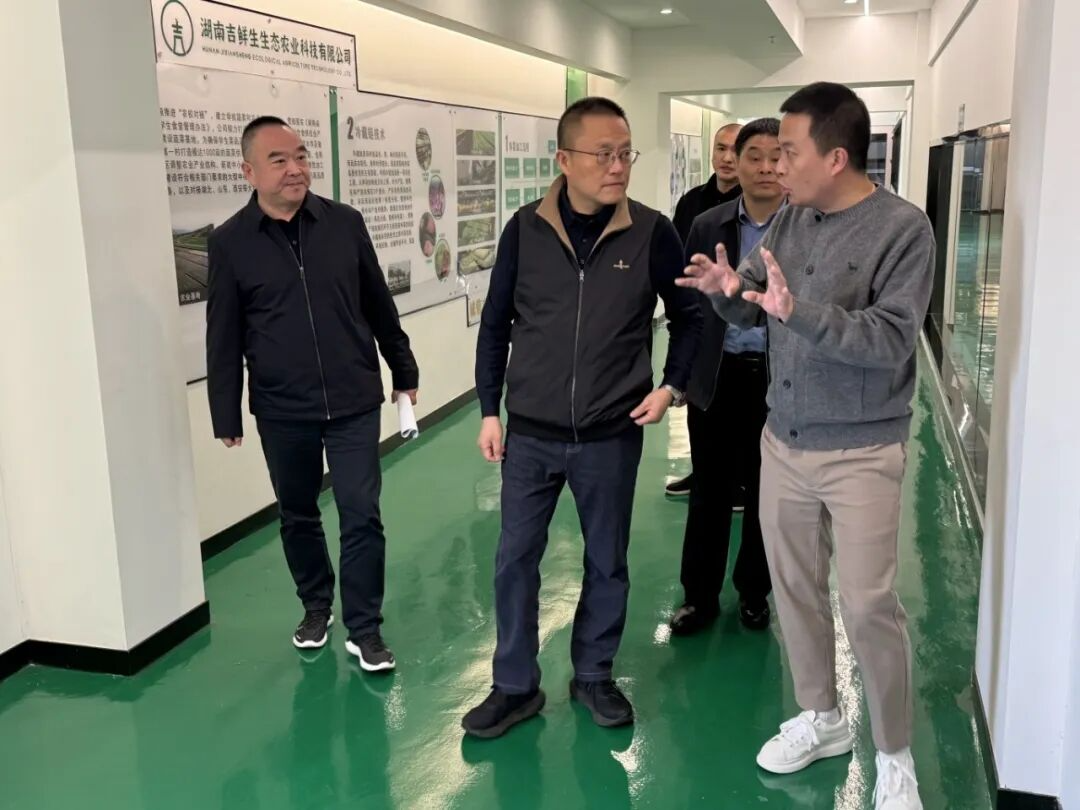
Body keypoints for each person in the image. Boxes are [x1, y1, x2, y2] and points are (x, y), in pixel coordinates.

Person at [677, 83, 932, 810]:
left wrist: (800, 313)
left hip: (862, 450)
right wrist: (727, 290)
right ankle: (821, 717)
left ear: (836, 157)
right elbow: (754, 299)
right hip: (782, 441)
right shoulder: (792, 218)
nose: (773, 166)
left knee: (868, 604)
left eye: (789, 152)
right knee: (794, 590)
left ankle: (895, 755)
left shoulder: (903, 230)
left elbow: (890, 339)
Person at [464, 97, 702, 739]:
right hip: (530, 434)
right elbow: (495, 324)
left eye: (625, 154)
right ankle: (514, 686)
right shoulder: (525, 229)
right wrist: (489, 410)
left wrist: (671, 386)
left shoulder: (652, 232)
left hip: (610, 434)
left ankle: (594, 674)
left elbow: (690, 318)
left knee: (606, 561)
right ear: (564, 160)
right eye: (603, 154)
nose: (618, 166)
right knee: (515, 559)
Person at [206, 116, 419, 672]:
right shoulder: (230, 242)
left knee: (360, 512)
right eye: (278, 160)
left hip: (352, 398)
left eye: (301, 156)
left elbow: (378, 303)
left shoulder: (344, 223)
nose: (295, 168)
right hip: (282, 408)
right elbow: (223, 334)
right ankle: (316, 607)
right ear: (249, 172)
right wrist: (225, 412)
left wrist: (403, 367)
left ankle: (365, 628)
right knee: (298, 513)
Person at [669, 117, 783, 637]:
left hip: (778, 381)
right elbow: (688, 306)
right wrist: (681, 376)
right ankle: (699, 596)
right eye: (753, 155)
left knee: (766, 491)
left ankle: (754, 593)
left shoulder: (805, 226)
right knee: (709, 490)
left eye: (776, 156)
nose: (765, 167)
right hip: (716, 376)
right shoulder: (707, 224)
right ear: (735, 161)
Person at [665, 122, 743, 499]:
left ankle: (739, 483)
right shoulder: (692, 202)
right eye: (720, 148)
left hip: (741, 324)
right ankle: (703, 474)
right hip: (699, 321)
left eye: (736, 150)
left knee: (738, 407)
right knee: (698, 404)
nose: (727, 158)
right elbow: (677, 260)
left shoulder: (756, 204)